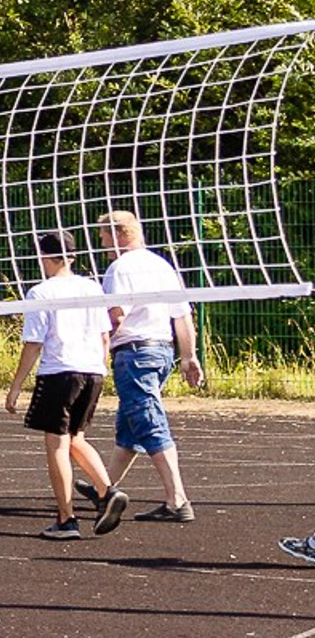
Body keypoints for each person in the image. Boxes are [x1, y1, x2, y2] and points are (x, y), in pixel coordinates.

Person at [4, 230, 127, 539]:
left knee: (57, 445)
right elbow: (104, 335)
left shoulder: (41, 292)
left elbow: (33, 343)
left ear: (45, 257)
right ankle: (107, 491)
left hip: (60, 373)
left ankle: (66, 519)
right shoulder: (92, 288)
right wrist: (101, 369)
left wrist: (16, 385)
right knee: (75, 439)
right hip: (92, 373)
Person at [93, 208, 204, 522]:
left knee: (150, 424)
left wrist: (93, 347)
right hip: (161, 352)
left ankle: (177, 501)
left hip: (135, 353)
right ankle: (105, 490)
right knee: (129, 430)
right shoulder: (162, 266)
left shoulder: (120, 267)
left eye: (103, 236)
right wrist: (188, 357)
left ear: (119, 235)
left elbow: (117, 316)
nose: (101, 244)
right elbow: (181, 316)